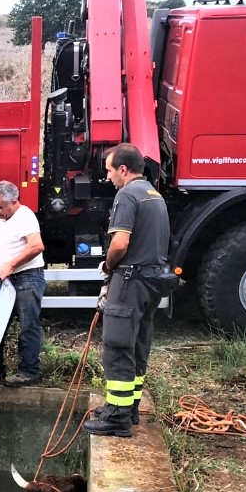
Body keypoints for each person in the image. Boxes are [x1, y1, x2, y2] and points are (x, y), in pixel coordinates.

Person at [83, 142, 170, 437]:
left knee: (118, 346)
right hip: (151, 282)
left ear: (123, 169)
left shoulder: (127, 195)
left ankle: (117, 418)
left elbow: (120, 243)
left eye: (109, 170)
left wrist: (108, 267)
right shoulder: (154, 195)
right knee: (138, 344)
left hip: (130, 280)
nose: (108, 177)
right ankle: (129, 408)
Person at [0, 180, 46, 387]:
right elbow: (13, 247)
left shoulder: (24, 217)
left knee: (28, 326)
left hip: (27, 278)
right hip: (11, 278)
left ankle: (29, 372)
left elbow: (37, 246)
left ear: (14, 201)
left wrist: (10, 265)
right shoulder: (6, 217)